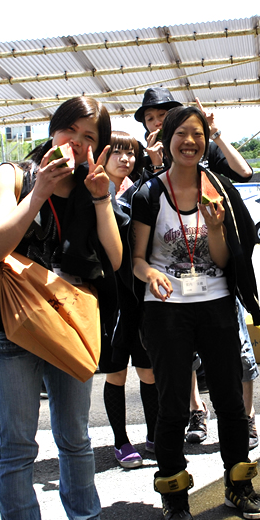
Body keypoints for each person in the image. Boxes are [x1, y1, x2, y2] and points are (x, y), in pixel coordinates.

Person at [0, 97, 121, 520]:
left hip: (70, 325)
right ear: (53, 129)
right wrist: (37, 192)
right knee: (18, 445)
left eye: (89, 139)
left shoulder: (92, 186)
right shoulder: (12, 175)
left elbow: (115, 259)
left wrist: (102, 198)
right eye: (71, 133)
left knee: (76, 438)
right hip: (12, 328)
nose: (77, 146)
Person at [131, 106, 260, 520]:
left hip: (216, 303)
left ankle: (239, 483)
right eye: (181, 134)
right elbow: (135, 259)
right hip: (165, 309)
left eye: (198, 133)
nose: (190, 141)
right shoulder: (148, 194)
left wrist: (216, 229)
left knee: (229, 399)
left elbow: (225, 261)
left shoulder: (219, 190)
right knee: (172, 404)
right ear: (166, 138)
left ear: (207, 139)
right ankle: (174, 494)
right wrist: (151, 272)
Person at [97, 131, 159, 469]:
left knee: (148, 370)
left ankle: (153, 434)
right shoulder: (96, 192)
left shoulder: (140, 190)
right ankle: (121, 441)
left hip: (140, 294)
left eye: (132, 153)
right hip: (111, 297)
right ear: (103, 156)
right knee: (116, 371)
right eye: (118, 153)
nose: (126, 159)